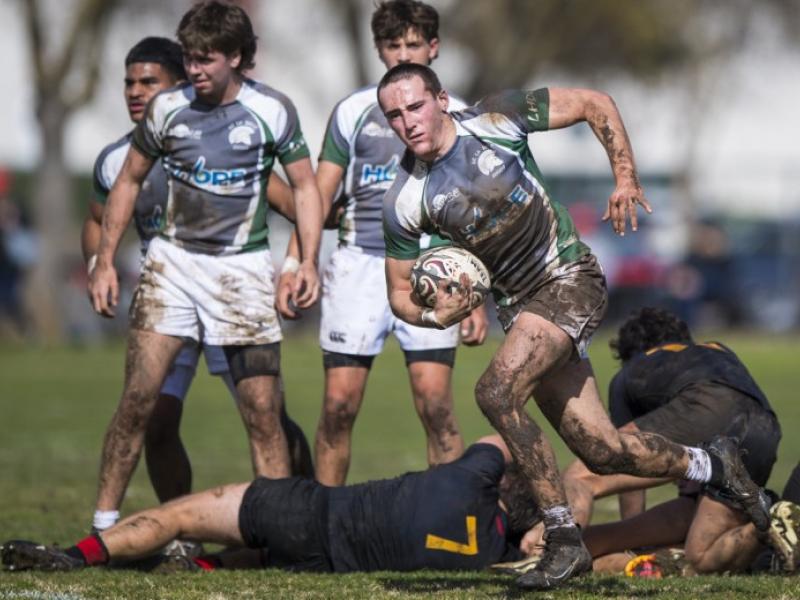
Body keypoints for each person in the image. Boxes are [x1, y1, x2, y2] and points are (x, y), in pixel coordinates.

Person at [378, 63, 770, 590]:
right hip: (523, 313)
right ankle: (713, 465)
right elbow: (399, 293)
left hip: (569, 277)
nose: (408, 121)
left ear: (441, 99)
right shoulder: (405, 199)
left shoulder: (497, 119)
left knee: (496, 393)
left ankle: (563, 541)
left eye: (415, 106)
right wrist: (433, 315)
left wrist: (625, 178)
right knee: (601, 449)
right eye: (395, 115)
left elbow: (595, 102)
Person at [87, 1, 322, 534]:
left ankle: (277, 534)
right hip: (172, 268)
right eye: (189, 58)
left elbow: (306, 188)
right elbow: (126, 182)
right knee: (138, 400)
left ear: (237, 57)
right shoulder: (167, 108)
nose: (193, 70)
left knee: (263, 411)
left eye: (205, 60)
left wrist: (307, 261)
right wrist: (104, 262)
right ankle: (103, 526)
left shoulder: (273, 110)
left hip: (241, 273)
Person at [276, 0, 487, 486]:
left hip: (433, 267)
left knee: (436, 405)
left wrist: (477, 293)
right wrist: (297, 263)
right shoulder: (353, 111)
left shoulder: (459, 114)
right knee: (339, 405)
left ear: (433, 48)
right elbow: (318, 194)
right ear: (379, 49)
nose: (402, 53)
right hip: (360, 264)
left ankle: (448, 523)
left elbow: (472, 205)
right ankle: (324, 529)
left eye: (413, 43)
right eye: (393, 45)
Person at [0, 436, 536, 574]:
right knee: (253, 559)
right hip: (326, 566)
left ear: (501, 485)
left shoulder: (471, 476)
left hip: (307, 511)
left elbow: (503, 432)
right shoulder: (490, 558)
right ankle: (199, 565)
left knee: (180, 515)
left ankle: (78, 555)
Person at [551, 307, 781, 574]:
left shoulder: (632, 371)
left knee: (581, 475)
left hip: (706, 405)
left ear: (629, 354)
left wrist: (635, 538)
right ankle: (770, 522)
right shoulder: (718, 349)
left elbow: (627, 463)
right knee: (701, 555)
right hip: (765, 428)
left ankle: (559, 556)